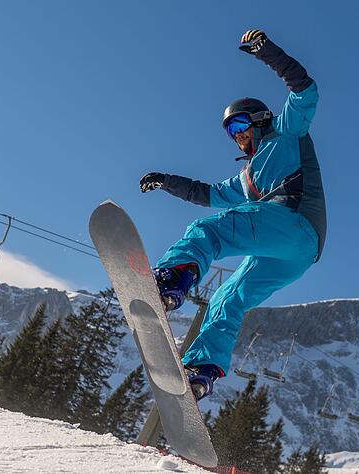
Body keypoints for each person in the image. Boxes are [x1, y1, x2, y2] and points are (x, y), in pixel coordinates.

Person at [139, 29, 327, 400]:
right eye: (230, 132)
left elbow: (305, 91)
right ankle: (203, 369)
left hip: (295, 222)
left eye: (240, 125)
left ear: (259, 119)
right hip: (294, 255)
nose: (237, 136)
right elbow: (206, 193)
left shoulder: (286, 131)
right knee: (228, 298)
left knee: (209, 231)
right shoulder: (246, 179)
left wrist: (268, 52)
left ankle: (174, 277)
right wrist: (165, 181)